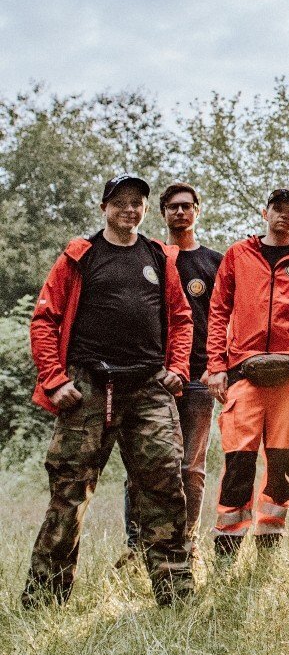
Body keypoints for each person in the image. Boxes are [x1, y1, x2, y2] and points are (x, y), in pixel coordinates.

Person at [23, 174, 195, 607]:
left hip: (148, 387)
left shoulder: (159, 256)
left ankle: (175, 593)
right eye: (120, 202)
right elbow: (44, 320)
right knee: (70, 492)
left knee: (164, 489)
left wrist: (176, 367)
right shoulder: (79, 256)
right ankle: (44, 597)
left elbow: (181, 318)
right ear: (104, 207)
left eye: (136, 202)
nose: (129, 210)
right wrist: (55, 380)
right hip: (87, 388)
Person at [205, 187, 289, 555]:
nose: (284, 216)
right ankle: (229, 542)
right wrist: (215, 366)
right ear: (265, 212)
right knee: (239, 462)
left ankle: (270, 537)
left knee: (281, 465)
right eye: (278, 209)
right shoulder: (239, 255)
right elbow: (218, 311)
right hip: (243, 373)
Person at [122, 182, 221, 560]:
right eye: (172, 207)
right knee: (141, 466)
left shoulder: (214, 262)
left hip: (197, 378)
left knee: (191, 467)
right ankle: (136, 547)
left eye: (187, 206)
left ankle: (187, 542)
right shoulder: (147, 256)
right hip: (150, 376)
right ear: (161, 213)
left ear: (198, 210)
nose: (180, 213)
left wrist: (217, 369)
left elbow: (225, 319)